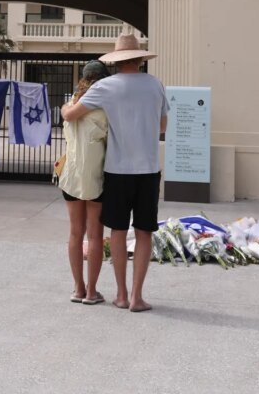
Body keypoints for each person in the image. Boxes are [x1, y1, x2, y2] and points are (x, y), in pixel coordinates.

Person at [60, 34, 167, 313]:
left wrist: (63, 108)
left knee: (117, 231)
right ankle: (137, 297)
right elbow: (163, 126)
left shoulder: (105, 87)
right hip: (149, 169)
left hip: (117, 170)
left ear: (117, 61)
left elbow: (71, 115)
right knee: (145, 232)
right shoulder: (155, 85)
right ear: (141, 59)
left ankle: (120, 294)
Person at [58, 60, 111, 305]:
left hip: (70, 175)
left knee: (75, 233)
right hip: (95, 176)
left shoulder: (69, 105)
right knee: (95, 235)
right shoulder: (104, 108)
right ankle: (91, 291)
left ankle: (78, 288)